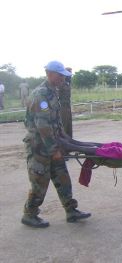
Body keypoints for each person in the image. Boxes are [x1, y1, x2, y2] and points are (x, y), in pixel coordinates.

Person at [21, 61, 91, 228]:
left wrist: (66, 141)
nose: (62, 78)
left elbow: (55, 123)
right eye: (60, 75)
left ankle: (71, 211)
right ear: (50, 73)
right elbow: (43, 126)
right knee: (40, 183)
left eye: (64, 76)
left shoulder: (52, 92)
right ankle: (29, 214)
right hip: (39, 148)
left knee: (63, 179)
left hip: (53, 145)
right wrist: (54, 150)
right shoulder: (40, 95)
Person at [59, 67, 73, 138]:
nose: (70, 76)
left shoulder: (68, 83)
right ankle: (64, 140)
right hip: (62, 106)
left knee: (69, 124)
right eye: (68, 74)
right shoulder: (60, 84)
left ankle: (69, 139)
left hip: (67, 106)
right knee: (64, 124)